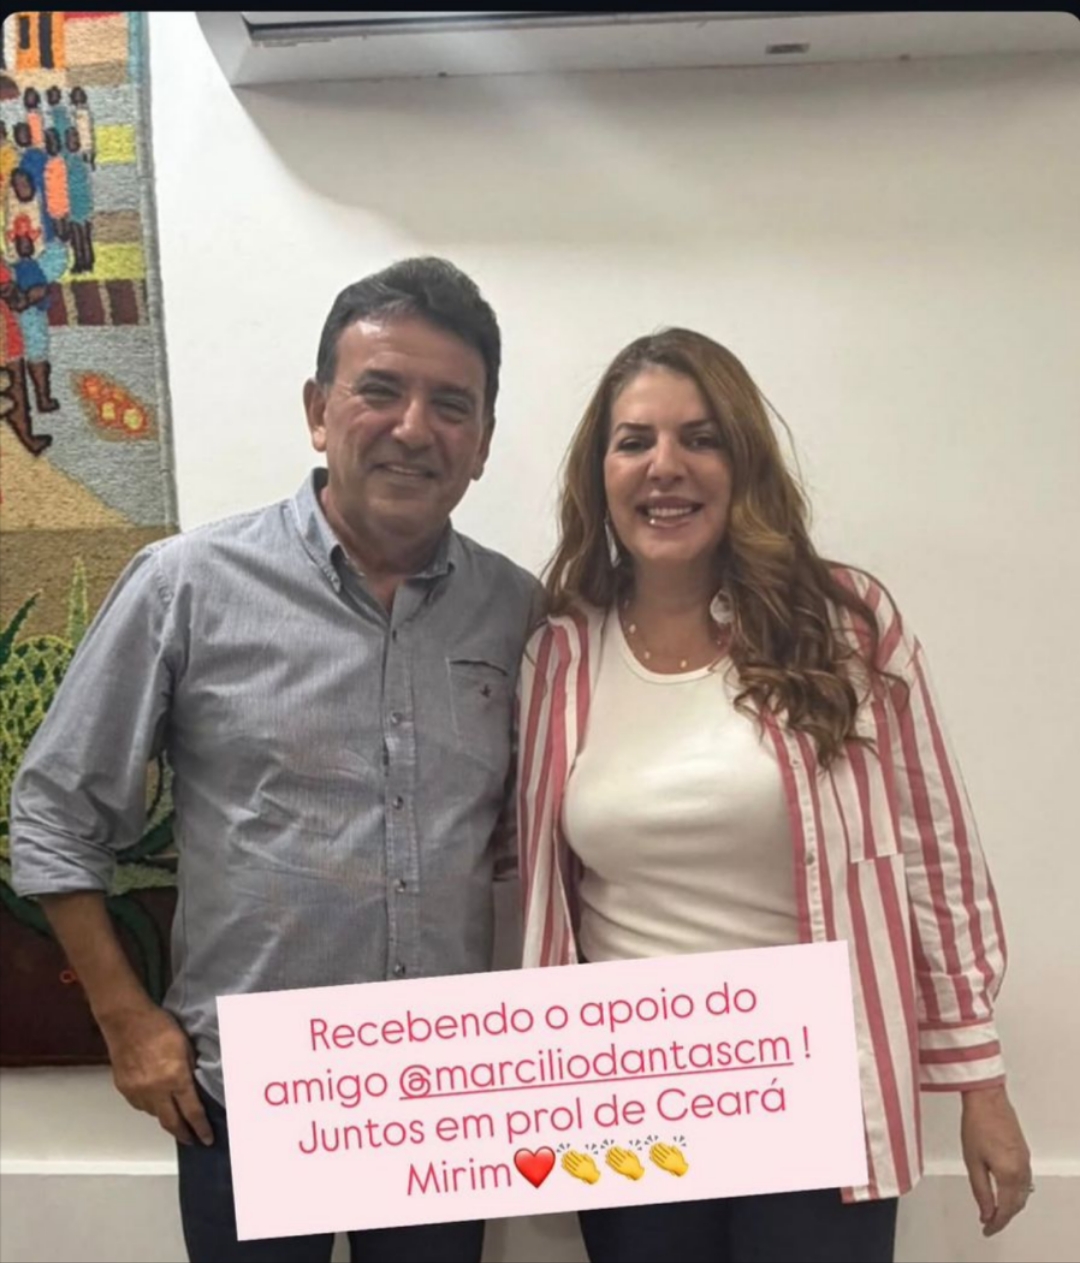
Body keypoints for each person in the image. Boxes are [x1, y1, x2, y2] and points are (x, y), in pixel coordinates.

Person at [11, 256, 543, 1263]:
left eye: (452, 405)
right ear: (317, 410)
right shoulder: (187, 585)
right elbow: (53, 812)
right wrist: (126, 1020)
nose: (414, 428)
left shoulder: (518, 612)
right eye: (380, 390)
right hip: (249, 1096)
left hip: (441, 1095)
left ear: (481, 443)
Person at [516, 328, 1032, 1263]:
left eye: (700, 438)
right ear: (600, 474)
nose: (665, 466)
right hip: (631, 1106)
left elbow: (934, 850)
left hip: (816, 1094)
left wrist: (981, 1083)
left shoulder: (845, 625)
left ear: (744, 461)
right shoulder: (559, 652)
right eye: (634, 441)